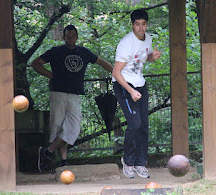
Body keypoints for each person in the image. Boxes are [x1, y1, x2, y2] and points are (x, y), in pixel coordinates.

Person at [31, 24, 113, 172]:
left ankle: (47, 151)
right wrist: (51, 75)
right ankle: (63, 161)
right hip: (58, 92)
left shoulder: (84, 52)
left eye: (73, 35)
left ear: (77, 37)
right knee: (58, 127)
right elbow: (35, 63)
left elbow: (101, 62)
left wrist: (117, 73)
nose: (70, 38)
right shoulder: (56, 51)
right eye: (67, 36)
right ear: (63, 37)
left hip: (75, 94)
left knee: (73, 127)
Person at [112, 9, 161, 178]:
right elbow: (116, 73)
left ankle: (140, 164)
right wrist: (130, 90)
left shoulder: (148, 39)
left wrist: (153, 57)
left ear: (147, 25)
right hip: (123, 84)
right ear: (132, 25)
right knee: (135, 123)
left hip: (140, 83)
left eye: (144, 24)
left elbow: (143, 57)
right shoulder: (126, 43)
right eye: (137, 24)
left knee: (144, 126)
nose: (141, 28)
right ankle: (128, 161)